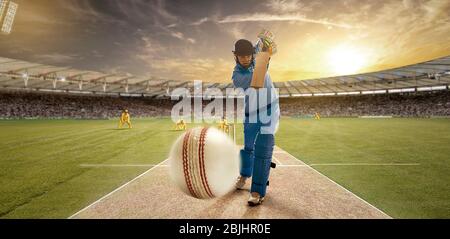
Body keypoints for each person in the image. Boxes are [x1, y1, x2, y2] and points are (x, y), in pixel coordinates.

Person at [231, 39, 280, 206]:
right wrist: (265, 55)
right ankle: (245, 174)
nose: (245, 58)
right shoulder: (237, 76)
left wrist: (266, 47)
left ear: (251, 54)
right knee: (249, 147)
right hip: (251, 112)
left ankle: (257, 191)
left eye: (247, 55)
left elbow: (267, 43)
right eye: (240, 56)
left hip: (270, 109)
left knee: (264, 148)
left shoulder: (258, 59)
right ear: (235, 57)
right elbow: (257, 80)